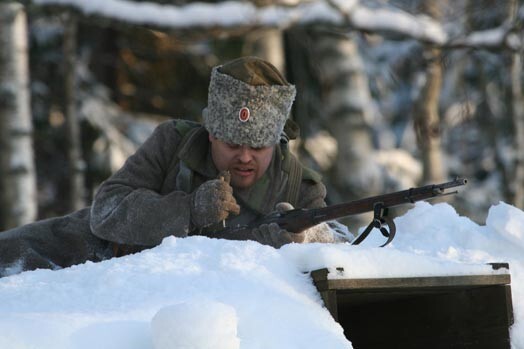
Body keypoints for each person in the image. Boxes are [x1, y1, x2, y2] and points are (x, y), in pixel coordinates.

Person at [0, 56, 349, 277]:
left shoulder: (298, 187)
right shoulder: (173, 143)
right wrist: (190, 209)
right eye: (232, 144)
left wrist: (308, 236)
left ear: (276, 142)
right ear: (211, 133)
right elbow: (105, 211)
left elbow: (343, 244)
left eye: (258, 147)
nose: (245, 156)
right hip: (93, 251)